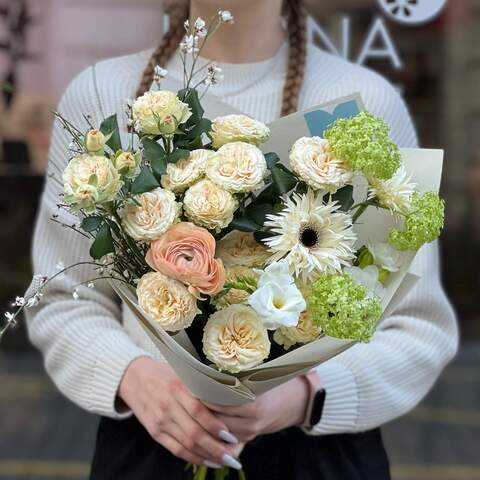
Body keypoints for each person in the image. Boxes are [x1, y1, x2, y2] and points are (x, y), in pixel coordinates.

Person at [26, 0, 458, 478]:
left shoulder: (365, 102)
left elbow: (417, 326)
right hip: (153, 442)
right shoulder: (104, 93)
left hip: (318, 453)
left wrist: (303, 396)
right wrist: (134, 377)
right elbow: (62, 296)